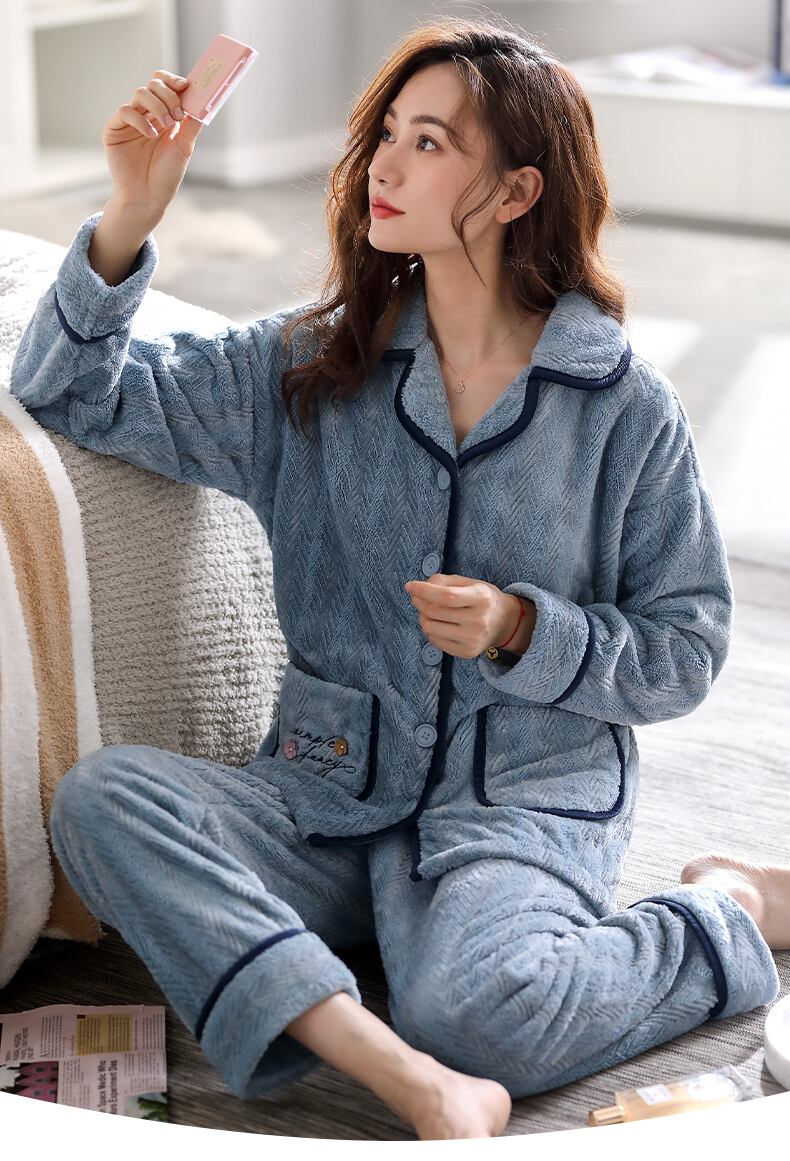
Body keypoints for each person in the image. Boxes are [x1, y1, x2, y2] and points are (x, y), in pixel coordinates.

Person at [9, 15, 788, 1142]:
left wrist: (525, 628)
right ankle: (406, 1074)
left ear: (516, 192)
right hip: (322, 793)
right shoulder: (311, 364)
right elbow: (70, 392)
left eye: (429, 142)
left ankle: (729, 905)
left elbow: (687, 646)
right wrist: (133, 211)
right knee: (102, 799)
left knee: (484, 1012)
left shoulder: (621, 407)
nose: (384, 163)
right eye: (386, 134)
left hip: (517, 798)